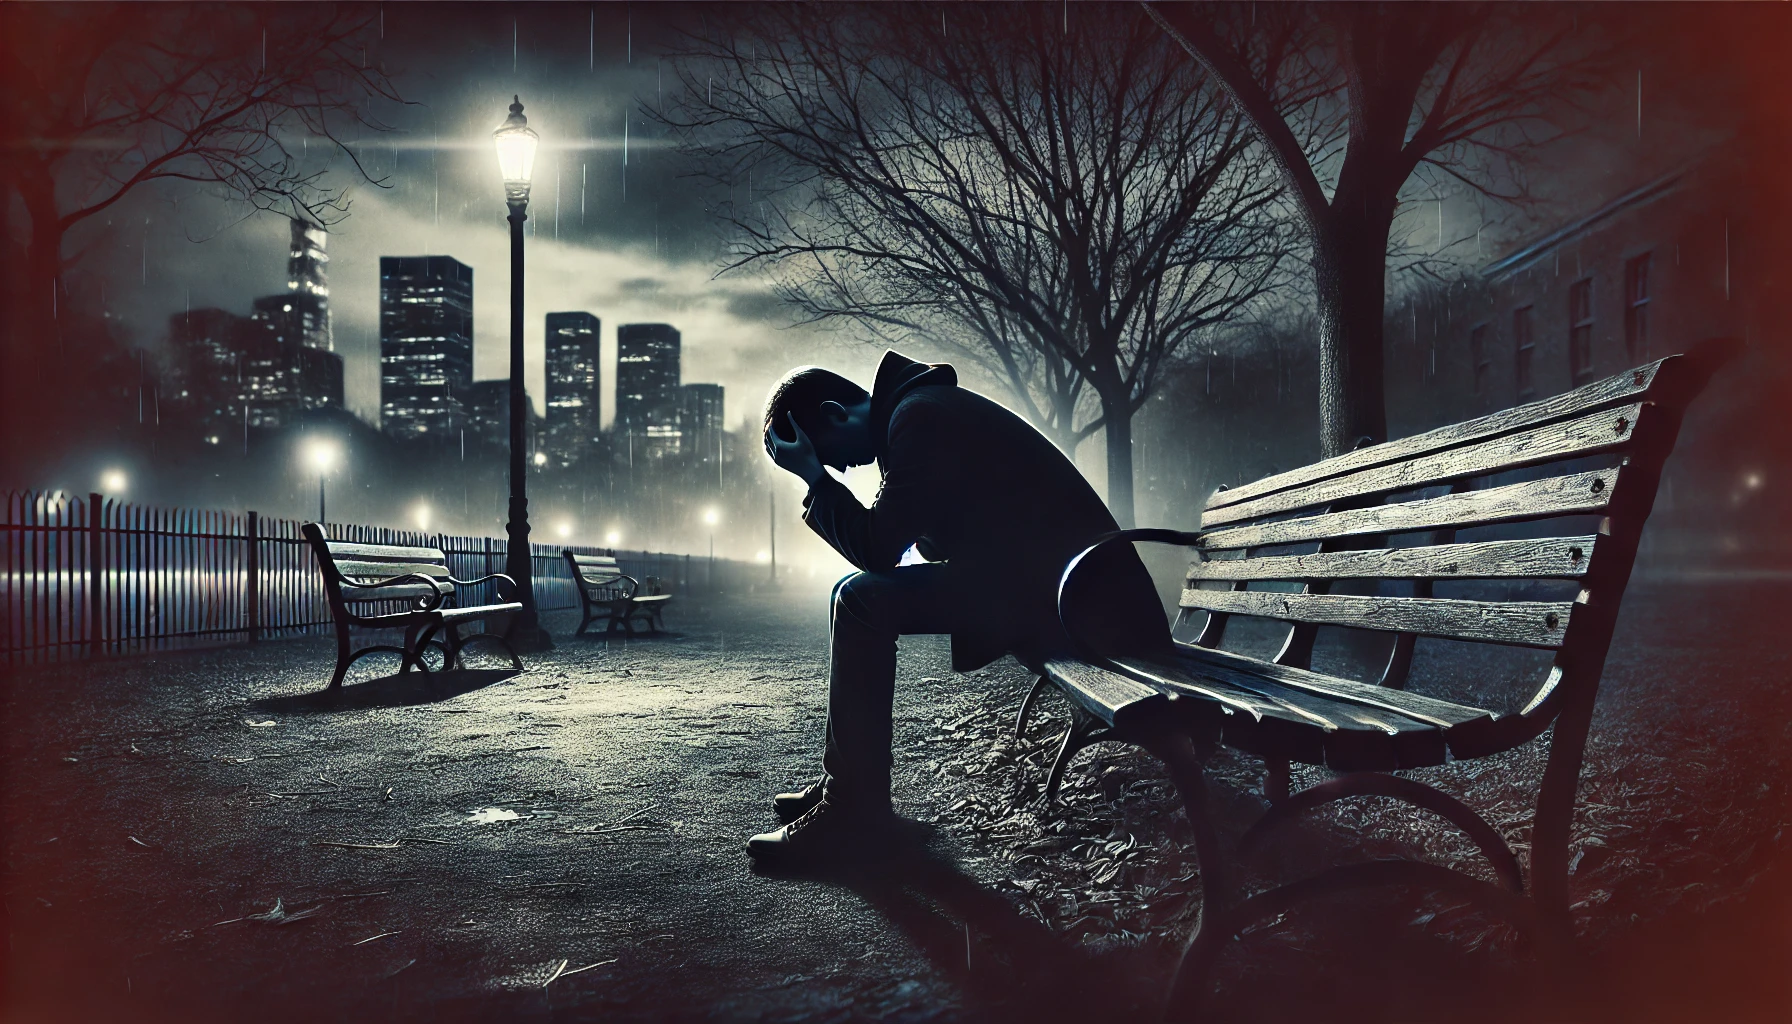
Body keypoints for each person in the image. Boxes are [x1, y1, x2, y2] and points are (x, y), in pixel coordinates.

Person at [748, 350, 1169, 865]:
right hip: (1059, 589)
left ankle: (853, 814)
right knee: (852, 595)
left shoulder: (917, 417)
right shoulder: (918, 412)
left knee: (860, 598)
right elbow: (920, 537)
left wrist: (816, 482)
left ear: (837, 413)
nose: (838, 466)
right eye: (828, 466)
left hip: (1087, 607)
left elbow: (879, 549)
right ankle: (850, 794)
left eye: (828, 453)